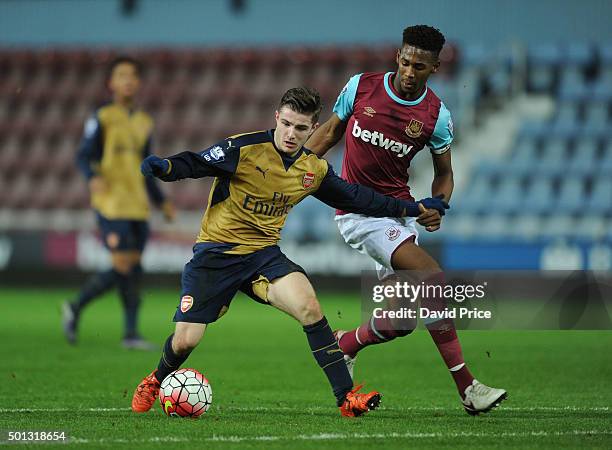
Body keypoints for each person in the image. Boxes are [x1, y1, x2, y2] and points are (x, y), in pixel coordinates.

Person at [130, 87, 449, 416]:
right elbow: (196, 163)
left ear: (312, 129)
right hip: (216, 255)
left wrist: (413, 208)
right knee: (186, 341)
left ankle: (347, 397)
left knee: (309, 306)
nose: (291, 133)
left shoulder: (313, 169)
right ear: (277, 118)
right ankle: (155, 380)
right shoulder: (244, 148)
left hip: (263, 256)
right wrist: (166, 167)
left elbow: (358, 198)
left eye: (300, 128)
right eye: (287, 124)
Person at [306, 25, 507, 415]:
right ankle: (468, 389)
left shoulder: (436, 116)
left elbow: (444, 174)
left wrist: (439, 204)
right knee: (431, 274)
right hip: (359, 211)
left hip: (400, 214)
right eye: (405, 61)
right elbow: (330, 133)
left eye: (419, 66)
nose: (409, 71)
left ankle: (343, 345)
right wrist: (292, 171)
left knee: (399, 322)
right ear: (397, 56)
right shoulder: (361, 87)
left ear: (434, 68)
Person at [62, 56, 176, 349]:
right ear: (111, 83)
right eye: (121, 75)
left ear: (138, 83)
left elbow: (147, 168)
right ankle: (77, 307)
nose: (127, 80)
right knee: (123, 264)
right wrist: (92, 177)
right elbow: (83, 154)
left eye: (132, 76)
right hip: (111, 202)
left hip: (138, 203)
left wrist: (160, 201)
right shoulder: (102, 116)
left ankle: (129, 334)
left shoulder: (144, 121)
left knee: (133, 268)